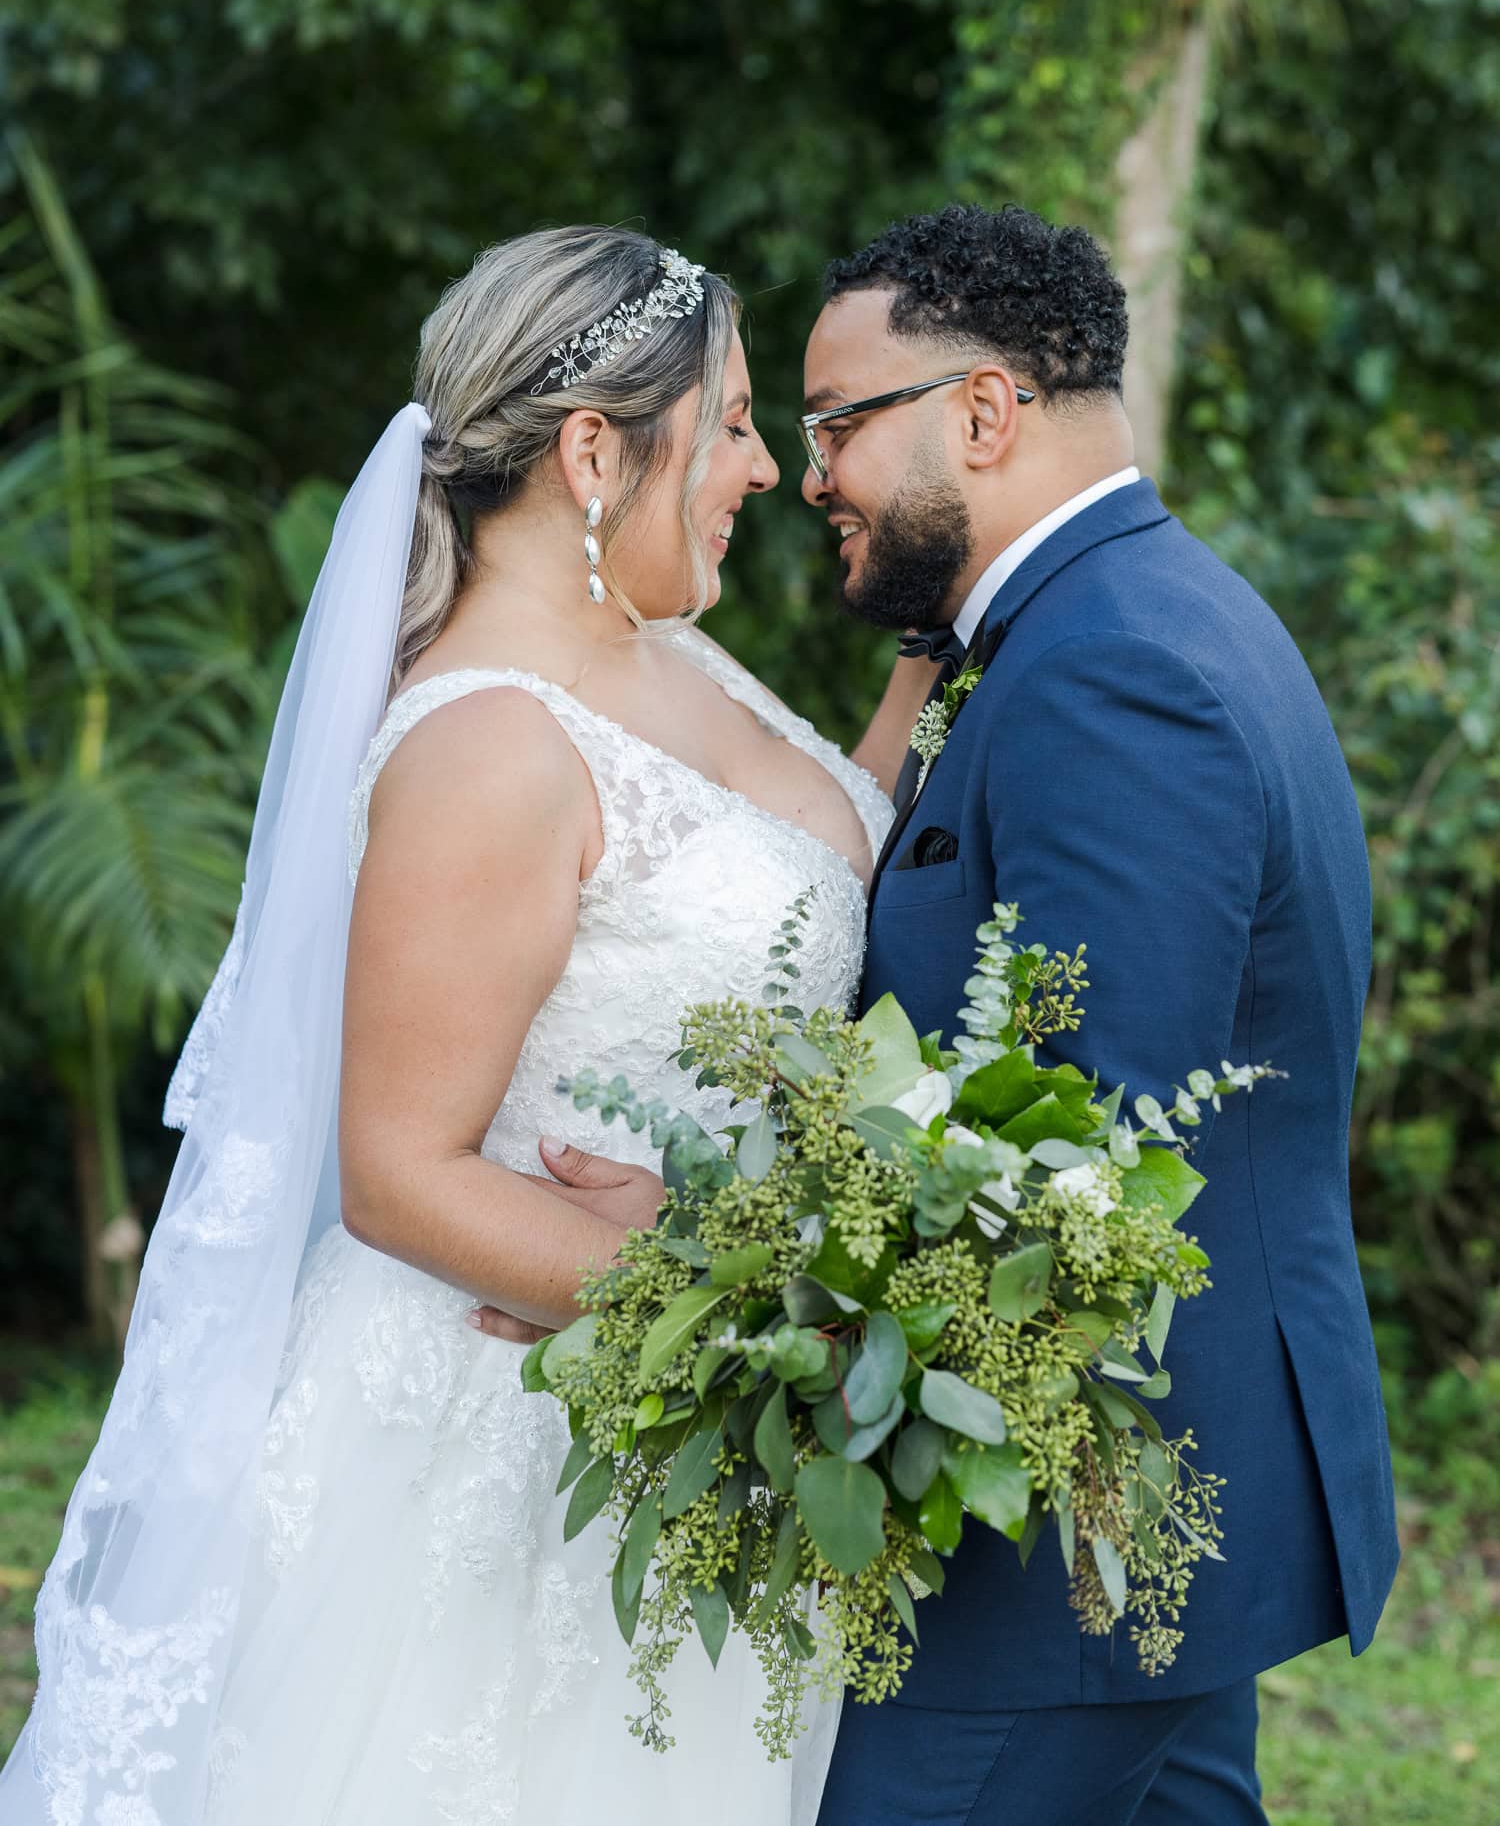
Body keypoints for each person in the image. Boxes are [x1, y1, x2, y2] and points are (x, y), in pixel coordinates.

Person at [1, 227, 892, 1826]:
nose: (765, 467)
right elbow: (398, 1172)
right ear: (594, 452)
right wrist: (751, 1313)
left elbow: (822, 845)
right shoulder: (490, 742)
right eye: (739, 422)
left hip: (687, 1428)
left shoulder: (668, 650)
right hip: (503, 1445)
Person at [799, 202, 1399, 1825]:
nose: (810, 475)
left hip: (1072, 1539)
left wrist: (713, 1247)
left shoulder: (1102, 669)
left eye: (836, 423)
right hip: (1154, 1526)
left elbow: (1081, 1156)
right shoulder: (1130, 611)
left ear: (981, 412)